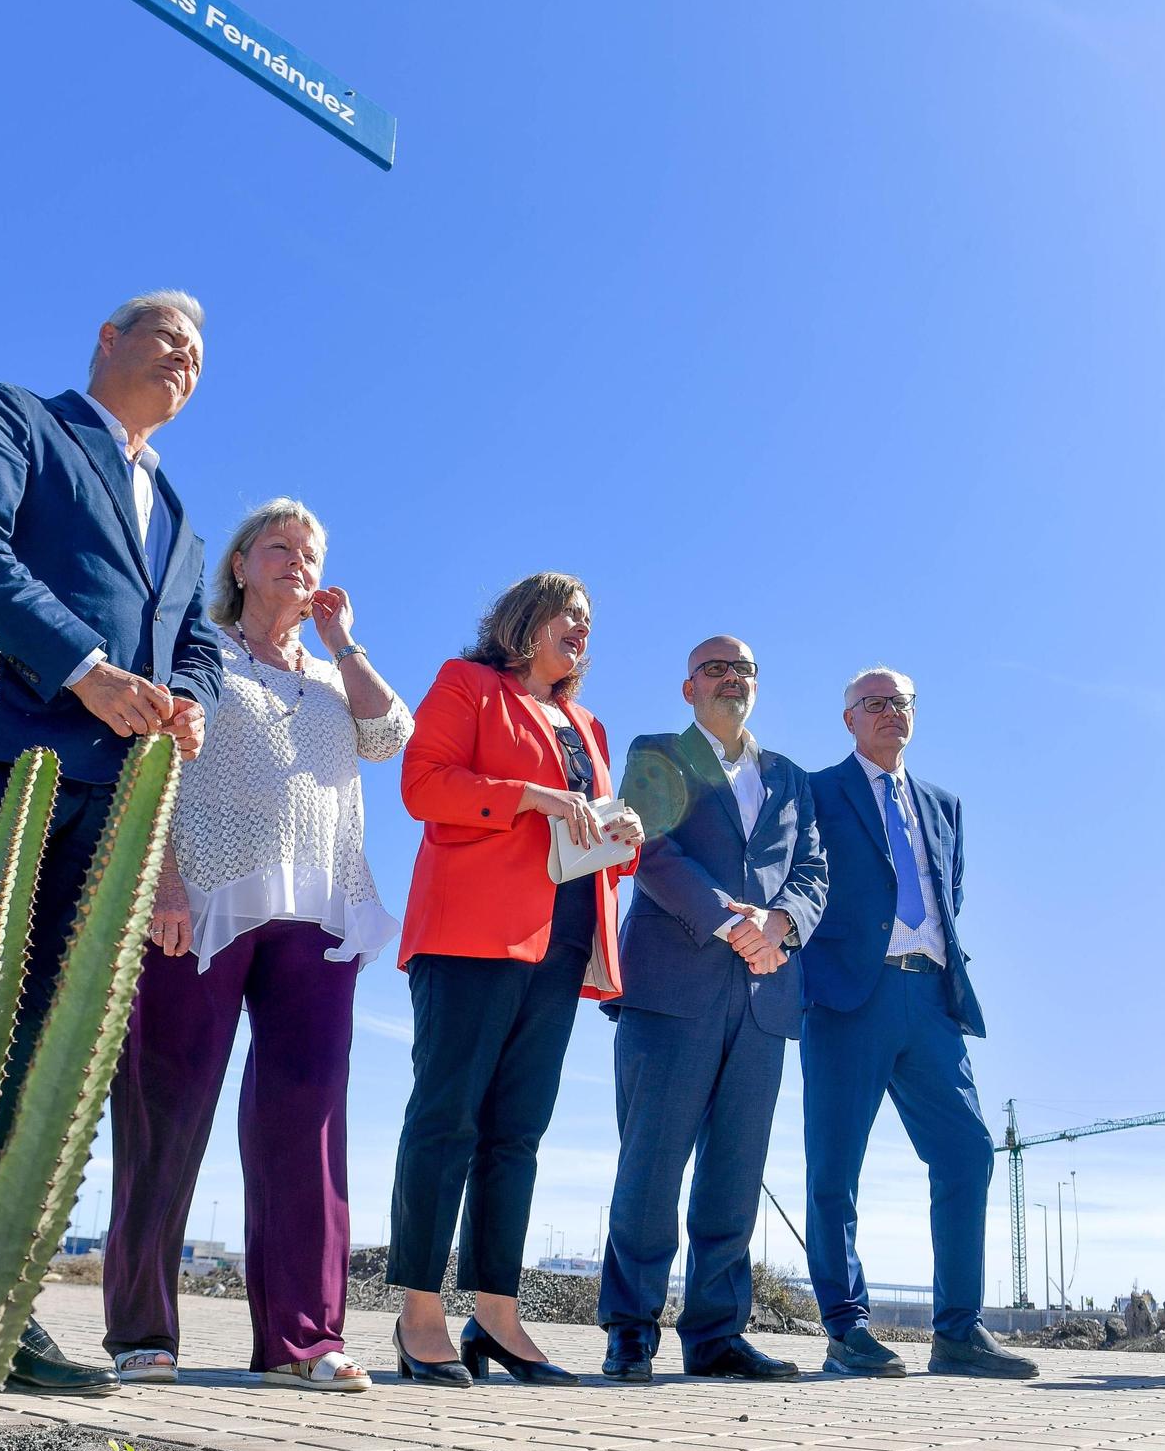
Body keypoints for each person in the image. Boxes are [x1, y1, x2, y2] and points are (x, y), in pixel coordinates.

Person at [0, 290, 221, 1396]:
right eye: (167, 335)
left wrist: (185, 696)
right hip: (4, 764)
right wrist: (83, 662)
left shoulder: (178, 514)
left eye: (199, 352)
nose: (184, 356)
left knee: (39, 1050)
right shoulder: (19, 419)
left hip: (113, 810)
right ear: (107, 338)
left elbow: (201, 644)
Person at [102, 500, 412, 1389]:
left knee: (305, 1122)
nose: (298, 562)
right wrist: (159, 880)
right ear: (238, 564)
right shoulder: (196, 649)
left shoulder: (330, 677)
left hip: (320, 910)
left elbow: (392, 736)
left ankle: (302, 1339)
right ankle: (140, 1332)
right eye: (279, 547)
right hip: (197, 901)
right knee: (166, 1106)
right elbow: (151, 758)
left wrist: (343, 641)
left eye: (311, 552)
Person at [387, 573, 643, 1387]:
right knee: (446, 1118)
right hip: (470, 933)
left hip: (563, 946)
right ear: (522, 622)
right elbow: (422, 787)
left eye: (588, 621)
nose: (581, 628)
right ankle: (418, 1316)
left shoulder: (588, 723)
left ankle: (496, 1315)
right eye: (568, 613)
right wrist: (532, 795)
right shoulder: (467, 685)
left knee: (517, 1135)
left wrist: (623, 828)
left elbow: (595, 841)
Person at [597, 636, 827, 1384]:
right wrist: (733, 922)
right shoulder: (657, 751)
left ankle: (716, 1334)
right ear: (688, 687)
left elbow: (812, 871)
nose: (732, 680)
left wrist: (780, 926)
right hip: (673, 986)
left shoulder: (788, 776)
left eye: (744, 670)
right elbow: (650, 850)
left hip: (764, 993)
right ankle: (629, 1330)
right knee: (651, 1167)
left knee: (734, 1172)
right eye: (715, 669)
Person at [799, 667, 1037, 1381]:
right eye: (872, 704)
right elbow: (799, 882)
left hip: (932, 1000)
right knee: (834, 1168)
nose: (888, 713)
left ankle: (957, 1332)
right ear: (847, 719)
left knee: (966, 1153)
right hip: (850, 998)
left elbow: (946, 893)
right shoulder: (815, 791)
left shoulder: (943, 805)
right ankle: (847, 1330)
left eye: (899, 702)